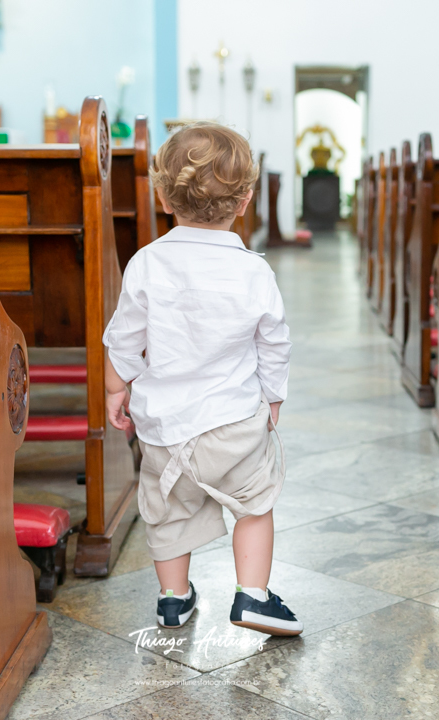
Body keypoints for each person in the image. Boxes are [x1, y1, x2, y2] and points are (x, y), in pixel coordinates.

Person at [102, 122, 301, 636]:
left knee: (167, 511)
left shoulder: (146, 263)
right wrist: (273, 395)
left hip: (165, 425)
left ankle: (173, 600)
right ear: (246, 200)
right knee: (255, 503)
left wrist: (116, 387)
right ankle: (253, 595)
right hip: (235, 421)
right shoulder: (254, 270)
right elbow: (273, 341)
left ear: (164, 197)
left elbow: (123, 336)